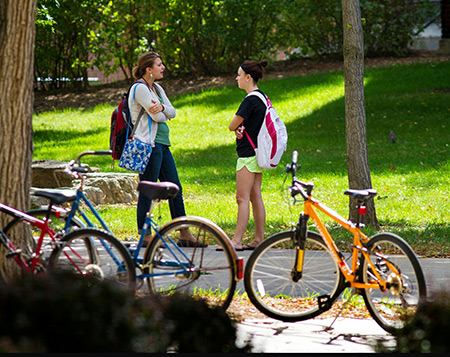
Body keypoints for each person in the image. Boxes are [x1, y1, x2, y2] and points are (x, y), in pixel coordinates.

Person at [129, 51, 206, 247]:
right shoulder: (140, 89)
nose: (163, 68)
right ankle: (145, 235)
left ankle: (184, 232)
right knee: (148, 189)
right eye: (159, 65)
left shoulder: (157, 88)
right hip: (149, 145)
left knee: (174, 187)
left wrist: (162, 108)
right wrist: (164, 111)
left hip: (163, 145)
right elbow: (158, 118)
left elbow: (172, 112)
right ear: (149, 69)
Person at [228, 60, 268, 251]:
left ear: (248, 77)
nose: (237, 78)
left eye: (239, 75)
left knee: (242, 198)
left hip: (247, 155)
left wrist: (236, 129)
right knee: (255, 195)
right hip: (257, 152)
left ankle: (236, 241)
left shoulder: (250, 99)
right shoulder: (262, 97)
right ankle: (259, 239)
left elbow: (231, 124)